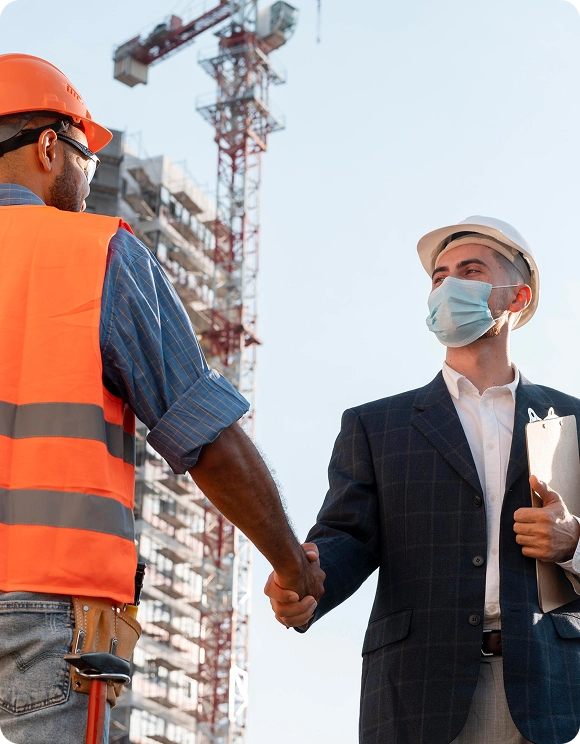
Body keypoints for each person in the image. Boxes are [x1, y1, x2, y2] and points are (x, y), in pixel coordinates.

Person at [0, 54, 324, 744]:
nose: (88, 174)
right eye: (85, 153)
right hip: (38, 619)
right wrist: (291, 564)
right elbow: (203, 434)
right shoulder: (90, 253)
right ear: (49, 147)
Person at [265, 215, 580, 744]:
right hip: (419, 692)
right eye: (439, 277)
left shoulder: (573, 421)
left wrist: (572, 543)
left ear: (517, 298)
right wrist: (304, 583)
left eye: (470, 271)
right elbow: (346, 538)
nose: (448, 286)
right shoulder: (375, 426)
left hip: (556, 691)